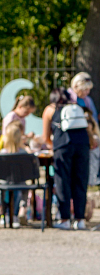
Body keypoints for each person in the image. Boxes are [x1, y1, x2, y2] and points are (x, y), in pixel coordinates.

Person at [42, 88, 91, 230]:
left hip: (63, 147)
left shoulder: (50, 109)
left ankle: (65, 219)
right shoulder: (77, 107)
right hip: (83, 146)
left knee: (62, 181)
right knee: (80, 181)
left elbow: (45, 137)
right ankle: (80, 219)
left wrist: (54, 147)